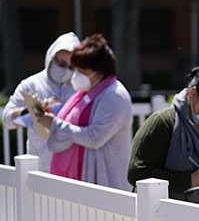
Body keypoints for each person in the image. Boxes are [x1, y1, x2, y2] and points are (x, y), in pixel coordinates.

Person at [127, 66, 199, 208]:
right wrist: (188, 180)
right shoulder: (164, 123)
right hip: (168, 220)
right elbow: (137, 172)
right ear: (193, 94)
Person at [36, 34, 132, 190]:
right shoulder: (87, 91)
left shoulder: (114, 96)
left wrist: (55, 124)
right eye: (76, 70)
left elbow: (95, 137)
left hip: (107, 186)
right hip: (84, 180)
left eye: (82, 71)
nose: (76, 75)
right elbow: (74, 121)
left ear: (99, 72)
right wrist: (54, 113)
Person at [2, 32, 80, 172]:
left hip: (72, 171)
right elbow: (7, 119)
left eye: (71, 67)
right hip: (39, 170)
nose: (65, 70)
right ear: (51, 57)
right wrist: (35, 109)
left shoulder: (80, 87)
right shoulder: (31, 84)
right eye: (61, 63)